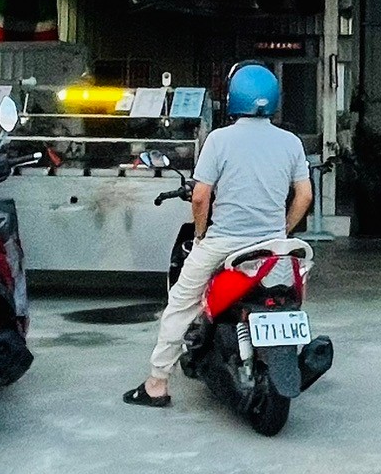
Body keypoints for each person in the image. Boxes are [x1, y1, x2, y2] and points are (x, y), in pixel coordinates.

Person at [125, 62, 310, 409]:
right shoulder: (290, 143)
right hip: (274, 246)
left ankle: (156, 384)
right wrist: (282, 231)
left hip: (225, 242)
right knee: (289, 294)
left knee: (180, 304)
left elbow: (199, 196)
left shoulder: (219, 140)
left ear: (232, 98)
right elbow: (305, 195)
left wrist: (200, 236)